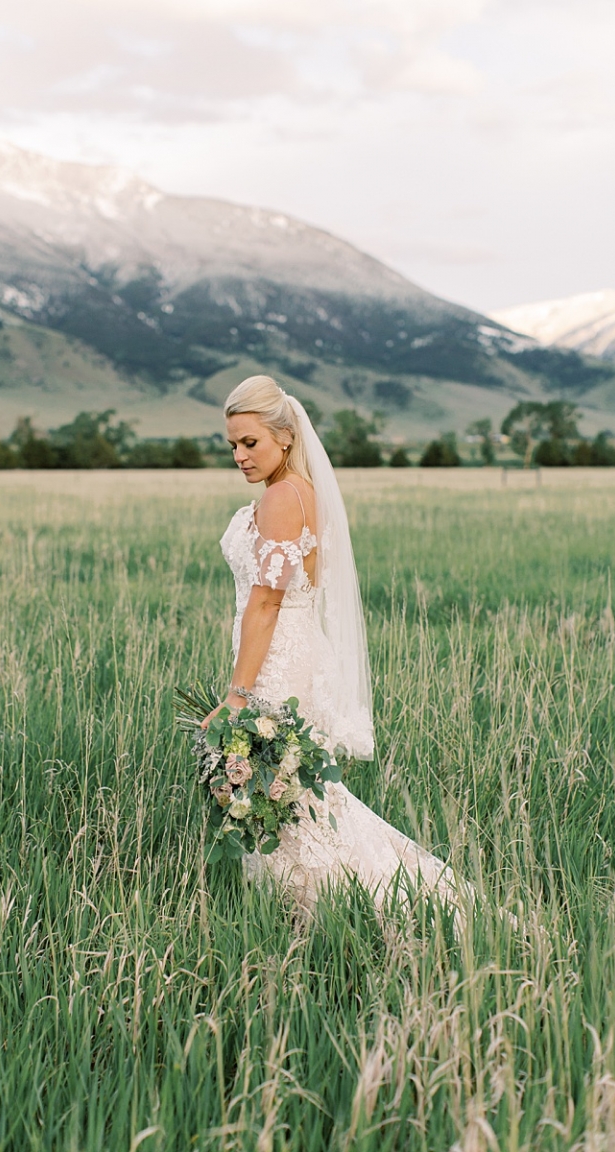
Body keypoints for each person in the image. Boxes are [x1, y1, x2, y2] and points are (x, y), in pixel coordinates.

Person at [203, 374, 459, 915]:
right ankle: (330, 904)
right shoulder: (305, 493)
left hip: (278, 661)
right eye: (232, 445)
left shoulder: (280, 498)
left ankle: (340, 907)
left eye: (251, 442)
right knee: (297, 794)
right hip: (292, 650)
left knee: (286, 793)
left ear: (285, 437)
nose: (239, 456)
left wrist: (238, 693)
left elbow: (267, 602)